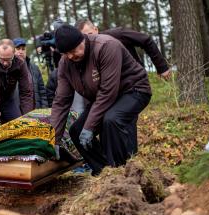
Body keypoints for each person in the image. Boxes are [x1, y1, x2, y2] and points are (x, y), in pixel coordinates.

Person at [51, 24, 152, 175]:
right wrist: (54, 139)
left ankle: (120, 170)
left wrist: (90, 127)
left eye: (73, 51)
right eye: (66, 53)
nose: (70, 56)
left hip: (134, 90)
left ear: (82, 41)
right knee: (76, 131)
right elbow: (61, 101)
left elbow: (107, 92)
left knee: (111, 120)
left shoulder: (106, 46)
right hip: (103, 97)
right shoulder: (65, 63)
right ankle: (104, 172)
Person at [74, 18, 171, 80]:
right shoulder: (85, 54)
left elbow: (146, 40)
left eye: (90, 35)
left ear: (96, 29)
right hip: (113, 88)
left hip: (136, 81)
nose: (88, 40)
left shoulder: (117, 35)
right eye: (84, 38)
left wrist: (162, 67)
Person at [0, 39, 34, 122]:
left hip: (8, 100)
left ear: (14, 53)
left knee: (19, 124)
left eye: (8, 59)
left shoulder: (20, 63)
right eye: (2, 59)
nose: (5, 63)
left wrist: (27, 116)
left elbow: (26, 92)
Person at [13, 38, 48, 109]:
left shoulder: (34, 68)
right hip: (17, 113)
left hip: (36, 111)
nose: (21, 51)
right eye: (18, 48)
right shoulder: (9, 68)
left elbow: (42, 91)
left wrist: (44, 108)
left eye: (23, 49)